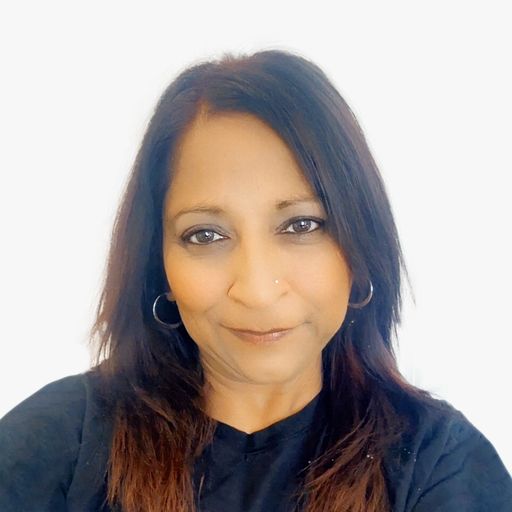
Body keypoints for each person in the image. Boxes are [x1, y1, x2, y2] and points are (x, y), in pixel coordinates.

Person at [0, 49, 511, 512]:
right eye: (205, 235)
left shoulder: (438, 464)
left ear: (359, 246)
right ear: (159, 266)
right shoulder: (59, 443)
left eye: (302, 225)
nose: (258, 290)